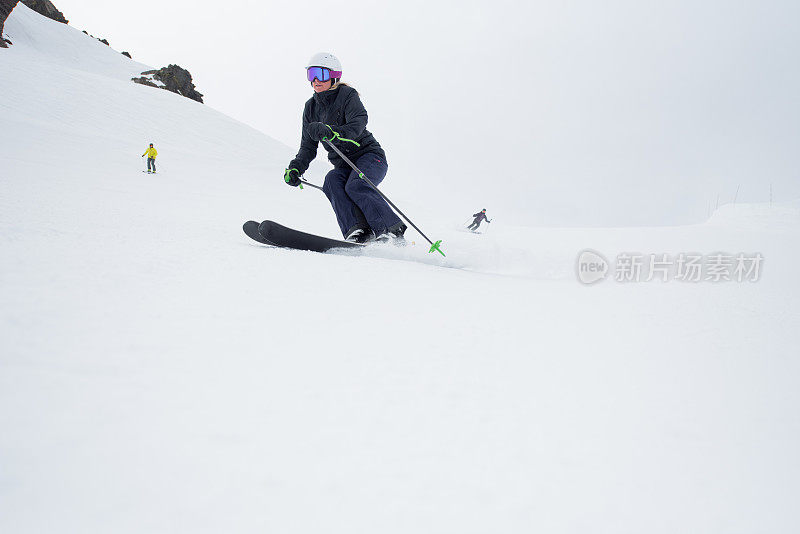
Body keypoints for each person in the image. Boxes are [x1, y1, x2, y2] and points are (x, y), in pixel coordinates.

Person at [283, 52, 406, 243]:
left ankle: (391, 230)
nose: (315, 80)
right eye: (311, 74)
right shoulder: (310, 108)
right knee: (332, 180)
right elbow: (307, 147)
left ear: (334, 76)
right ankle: (358, 231)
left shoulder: (347, 95)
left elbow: (358, 123)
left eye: (321, 74)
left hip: (370, 157)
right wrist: (296, 167)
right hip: (343, 165)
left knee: (357, 184)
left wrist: (333, 132)